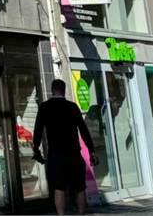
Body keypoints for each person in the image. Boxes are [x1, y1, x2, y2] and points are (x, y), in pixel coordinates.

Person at [33, 78, 97, 216]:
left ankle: (61, 214)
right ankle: (81, 214)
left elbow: (38, 130)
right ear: (64, 91)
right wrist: (92, 150)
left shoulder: (45, 107)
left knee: (59, 187)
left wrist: (36, 149)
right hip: (74, 154)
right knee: (80, 187)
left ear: (52, 91)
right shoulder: (72, 107)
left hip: (56, 155)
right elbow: (83, 130)